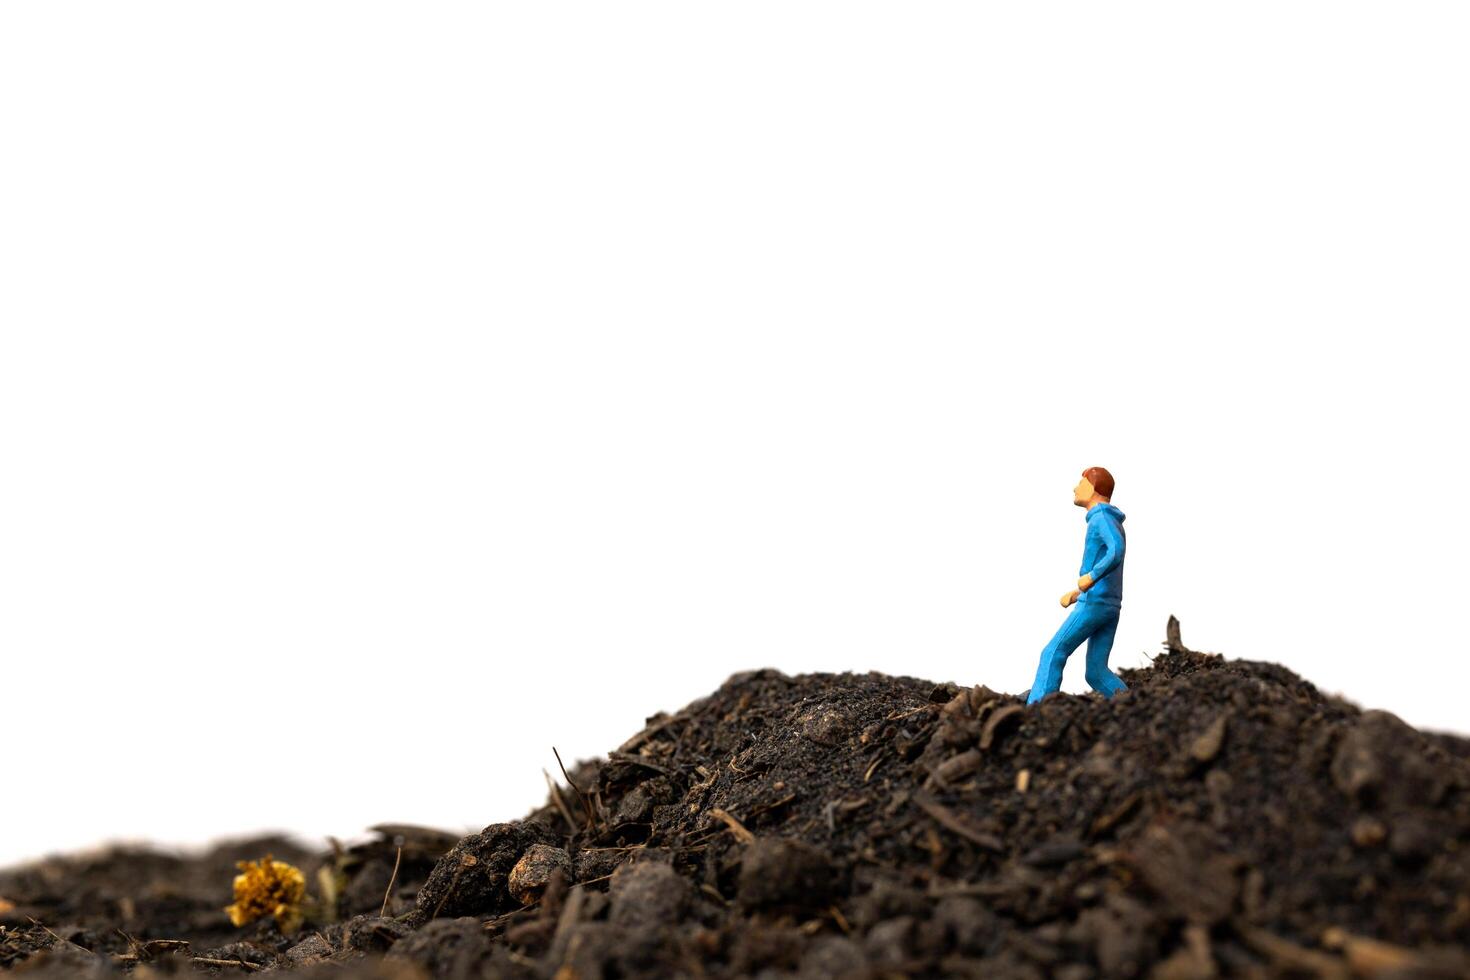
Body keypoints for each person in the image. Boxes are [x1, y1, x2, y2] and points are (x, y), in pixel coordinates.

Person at [1027, 467, 1129, 705]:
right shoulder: (1108, 518)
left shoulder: (1101, 518)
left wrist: (1090, 578)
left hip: (1095, 603)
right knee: (1096, 671)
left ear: (1094, 489)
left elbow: (1116, 550)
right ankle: (1132, 706)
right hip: (1108, 604)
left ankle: (1036, 711)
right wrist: (1077, 592)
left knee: (1052, 653)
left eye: (1081, 484)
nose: (1075, 488)